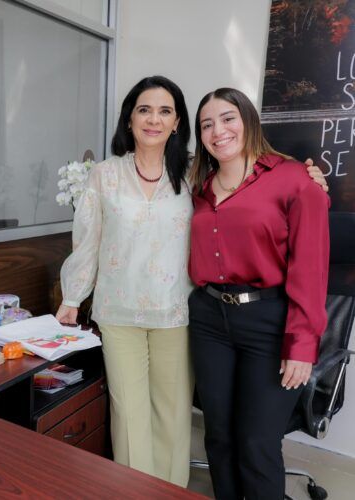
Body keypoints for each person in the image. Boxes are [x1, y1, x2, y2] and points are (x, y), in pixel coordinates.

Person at [55, 76, 328, 487]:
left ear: (177, 122)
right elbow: (88, 239)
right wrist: (72, 298)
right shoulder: (114, 176)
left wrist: (313, 182)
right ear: (129, 119)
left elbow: (286, 231)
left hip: (182, 310)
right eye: (144, 110)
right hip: (134, 311)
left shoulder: (195, 173)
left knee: (182, 417)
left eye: (165, 111)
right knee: (139, 418)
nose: (154, 119)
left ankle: (170, 491)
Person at [187, 88, 329, 500]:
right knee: (219, 435)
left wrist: (302, 344)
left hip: (269, 321)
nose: (218, 131)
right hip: (209, 319)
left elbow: (311, 266)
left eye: (228, 118)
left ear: (249, 119)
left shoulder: (294, 178)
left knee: (257, 443)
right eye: (207, 124)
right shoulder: (200, 187)